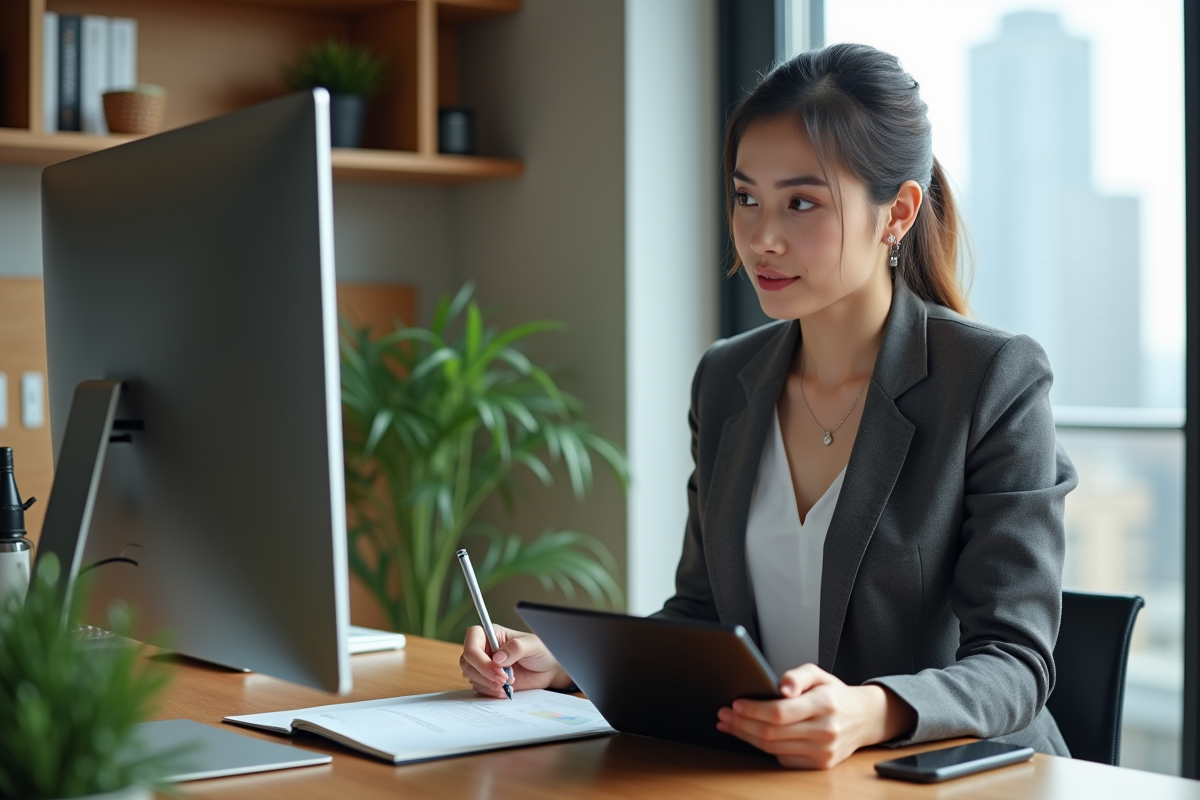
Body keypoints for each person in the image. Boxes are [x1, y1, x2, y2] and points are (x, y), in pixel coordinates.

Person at [458, 43, 1077, 770]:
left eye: (802, 203)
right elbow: (703, 615)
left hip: (944, 780)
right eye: (747, 197)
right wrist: (567, 664)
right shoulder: (727, 379)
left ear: (898, 213)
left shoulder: (992, 379)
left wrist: (870, 710)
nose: (761, 237)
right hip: (771, 774)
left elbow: (1016, 662)